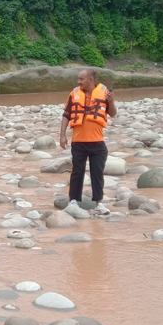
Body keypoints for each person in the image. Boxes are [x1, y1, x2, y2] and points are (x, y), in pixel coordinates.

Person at [59, 68, 117, 215]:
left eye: (81, 79)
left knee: (97, 173)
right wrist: (62, 135)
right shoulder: (74, 94)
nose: (78, 82)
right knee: (76, 172)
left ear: (90, 80)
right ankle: (73, 201)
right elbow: (66, 115)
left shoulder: (104, 93)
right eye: (78, 79)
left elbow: (112, 113)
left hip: (97, 143)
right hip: (79, 142)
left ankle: (99, 203)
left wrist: (111, 102)